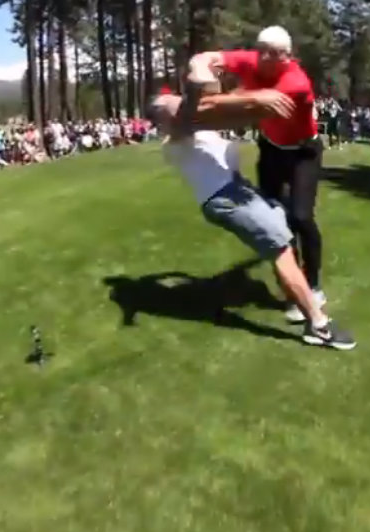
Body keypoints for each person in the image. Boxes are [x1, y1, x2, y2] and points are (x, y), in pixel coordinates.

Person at [145, 64, 356, 350]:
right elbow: (190, 109)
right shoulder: (177, 138)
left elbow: (223, 102)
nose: (179, 105)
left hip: (238, 190)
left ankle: (298, 300)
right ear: (163, 119)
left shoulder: (199, 126)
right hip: (224, 198)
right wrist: (195, 80)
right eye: (171, 105)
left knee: (285, 230)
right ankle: (318, 325)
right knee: (281, 250)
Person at [188, 25, 329, 325]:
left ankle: (313, 285)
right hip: (272, 149)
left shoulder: (296, 83)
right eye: (261, 49)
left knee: (301, 217)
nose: (264, 57)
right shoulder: (251, 60)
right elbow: (205, 59)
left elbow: (236, 110)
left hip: (304, 152)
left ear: (288, 57)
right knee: (276, 217)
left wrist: (226, 98)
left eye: (273, 53)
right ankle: (293, 288)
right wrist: (200, 66)